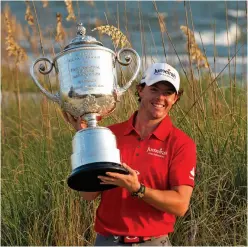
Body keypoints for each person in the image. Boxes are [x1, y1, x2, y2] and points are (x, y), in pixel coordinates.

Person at [63, 63, 197, 246]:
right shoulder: (109, 135)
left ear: (175, 98)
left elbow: (180, 205)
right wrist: (86, 140)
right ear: (140, 90)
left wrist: (138, 189)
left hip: (153, 242)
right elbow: (89, 195)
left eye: (167, 92)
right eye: (154, 89)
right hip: (108, 241)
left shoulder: (181, 144)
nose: (160, 97)